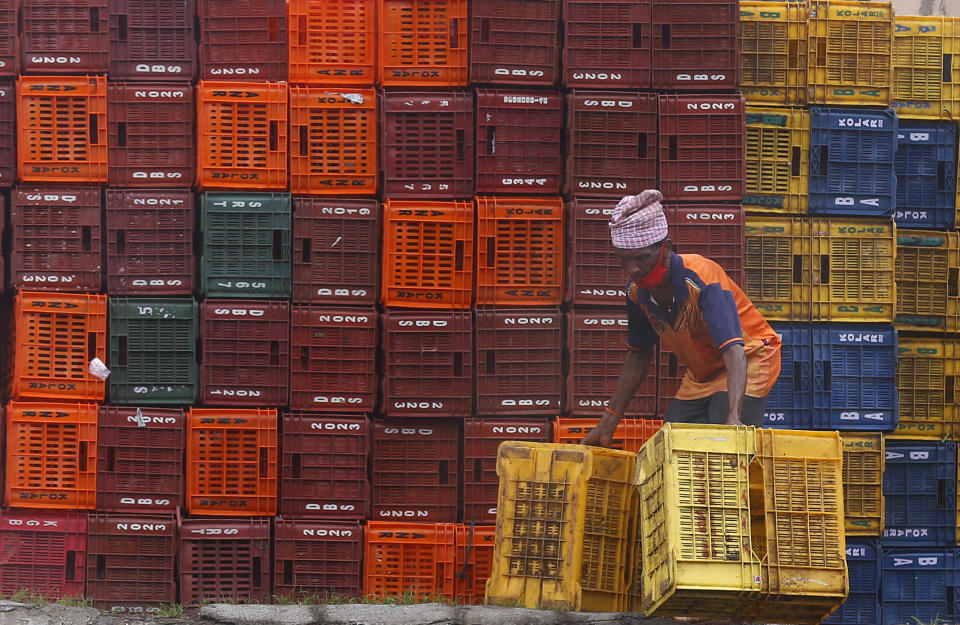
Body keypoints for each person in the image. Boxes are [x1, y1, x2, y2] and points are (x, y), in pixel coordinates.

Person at [581, 190, 782, 448]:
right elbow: (638, 354)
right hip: (702, 373)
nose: (633, 269)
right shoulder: (636, 293)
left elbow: (734, 349)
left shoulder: (701, 278)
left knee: (723, 439)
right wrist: (606, 424)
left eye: (641, 258)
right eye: (624, 261)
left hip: (749, 357)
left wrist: (733, 419)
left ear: (666, 250)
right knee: (673, 441)